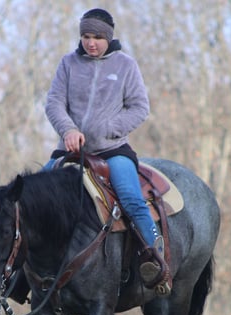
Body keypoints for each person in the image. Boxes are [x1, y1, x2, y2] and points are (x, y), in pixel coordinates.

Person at [44, 8, 170, 295]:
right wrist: (68, 130)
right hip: (70, 151)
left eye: (98, 37)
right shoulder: (68, 63)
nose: (91, 43)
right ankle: (22, 275)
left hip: (113, 150)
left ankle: (156, 260)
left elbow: (140, 107)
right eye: (86, 36)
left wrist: (109, 128)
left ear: (108, 38)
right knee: (29, 197)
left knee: (130, 198)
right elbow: (54, 103)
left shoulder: (125, 65)